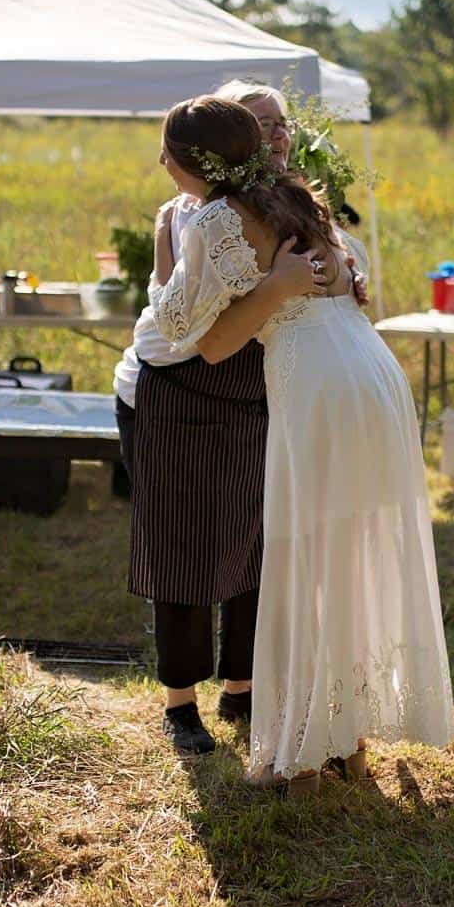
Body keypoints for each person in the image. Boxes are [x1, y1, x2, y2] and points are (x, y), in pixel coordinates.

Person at [151, 96, 454, 793]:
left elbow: (203, 337)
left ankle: (313, 745)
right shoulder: (291, 195)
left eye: (166, 151)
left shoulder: (218, 220)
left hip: (318, 384)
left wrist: (173, 245)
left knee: (306, 566)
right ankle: (347, 738)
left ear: (194, 164)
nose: (160, 163)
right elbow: (339, 285)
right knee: (345, 557)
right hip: (370, 373)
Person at [114, 79, 320, 755]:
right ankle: (181, 703)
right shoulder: (191, 218)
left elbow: (322, 279)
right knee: (180, 548)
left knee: (249, 540)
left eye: (275, 124)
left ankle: (242, 684)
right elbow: (184, 325)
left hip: (251, 395)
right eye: (261, 126)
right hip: (174, 392)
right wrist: (272, 285)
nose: (274, 135)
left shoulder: (281, 204)